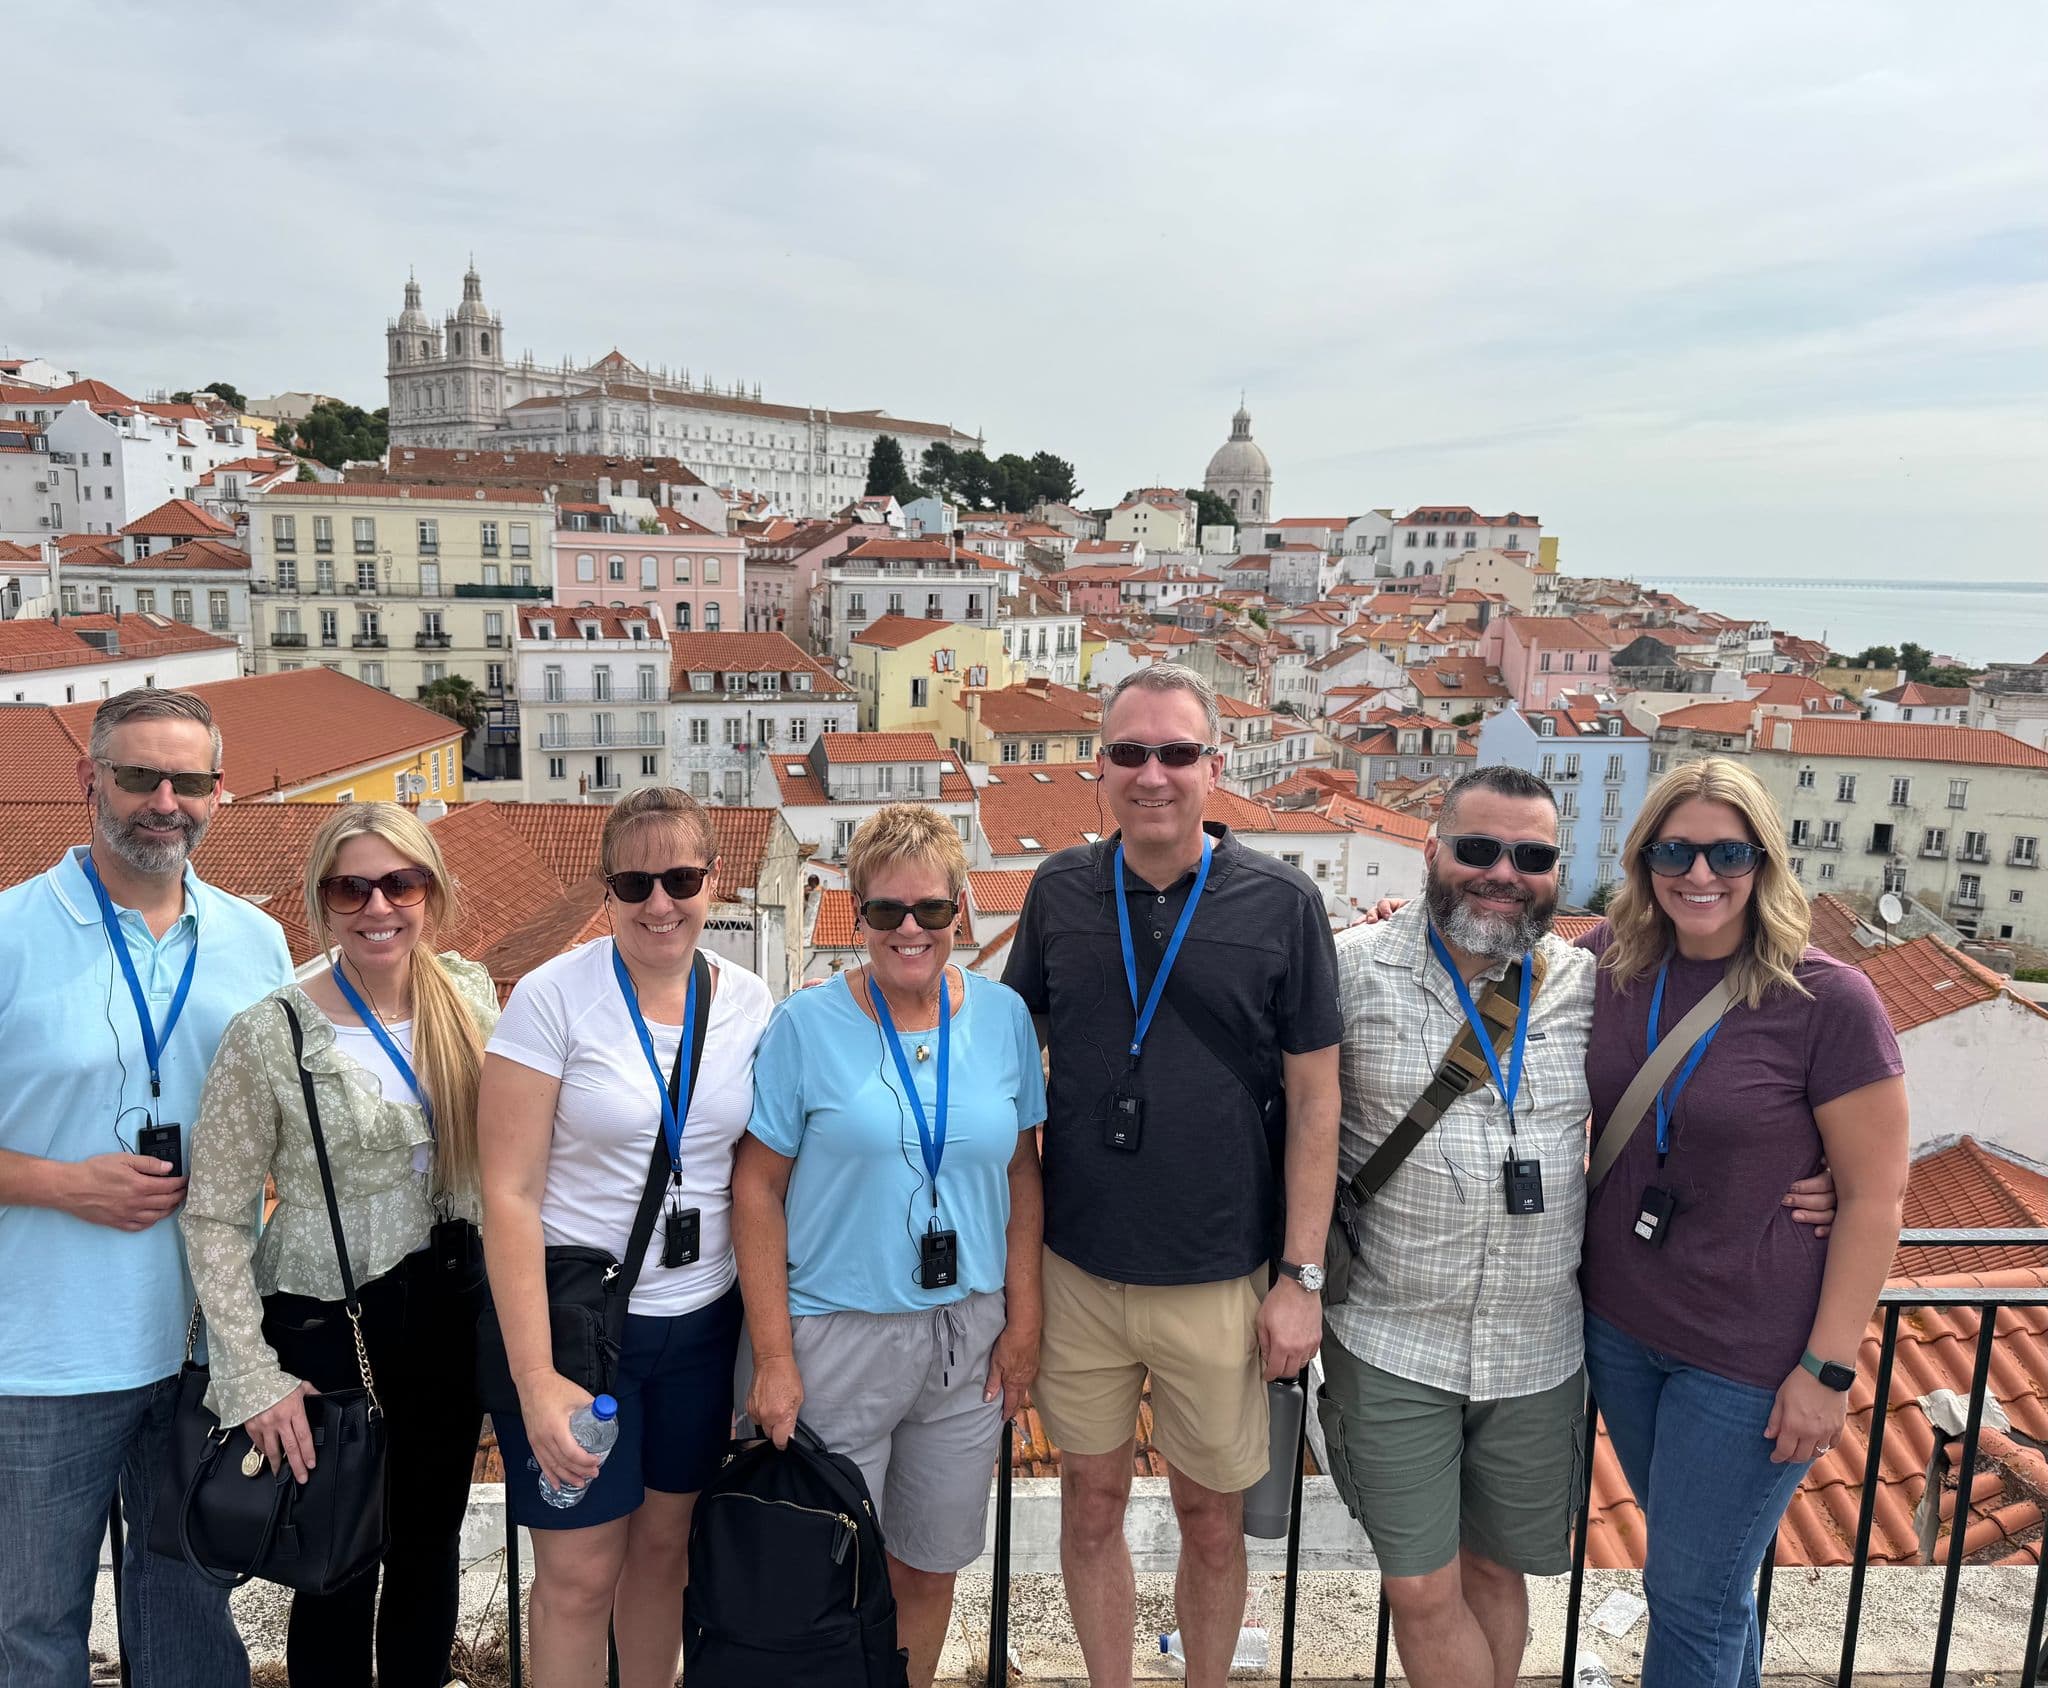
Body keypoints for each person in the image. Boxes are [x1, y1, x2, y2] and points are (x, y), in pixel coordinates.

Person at [1334, 766, 1841, 1688]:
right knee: (1419, 1587)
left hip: (1539, 1348)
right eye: (1478, 849)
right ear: (1432, 851)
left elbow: (1732, 1084)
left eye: (1531, 857)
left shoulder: (1590, 978)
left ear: (1560, 872)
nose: (1502, 873)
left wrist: (1832, 1177)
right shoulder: (1349, 969)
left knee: (1500, 1568)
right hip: (1392, 1333)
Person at [1001, 664, 1342, 1688]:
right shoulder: (1058, 888)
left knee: (1210, 1516)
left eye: (1175, 752)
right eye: (1129, 752)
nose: (1152, 773)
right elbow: (1007, 1065)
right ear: (1096, 767)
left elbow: (1317, 1102)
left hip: (1218, 1273)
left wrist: (1301, 1276)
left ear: (1212, 766)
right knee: (1090, 1502)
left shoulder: (1281, 901)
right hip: (1080, 1266)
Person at [1578, 758, 1906, 1688]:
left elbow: (1877, 1200)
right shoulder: (1614, 960)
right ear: (1644, 860)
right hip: (1621, 1328)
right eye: (1675, 850)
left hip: (1750, 1357)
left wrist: (1827, 1371)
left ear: (1764, 861)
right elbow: (1500, 976)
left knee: (1689, 1592)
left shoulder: (1828, 1001)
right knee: (1708, 1588)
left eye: (1728, 851)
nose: (1700, 874)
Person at [0, 688, 291, 1688]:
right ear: (89, 780)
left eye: (190, 780)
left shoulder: (257, 940)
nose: (164, 800)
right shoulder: (11, 933)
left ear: (222, 791)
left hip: (201, 1349)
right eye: (138, 775)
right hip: (39, 1360)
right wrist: (60, 1181)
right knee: (32, 1630)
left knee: (189, 1628)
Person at [179, 801, 496, 1687]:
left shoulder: (467, 995)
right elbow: (214, 1214)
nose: (377, 906)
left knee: (428, 1550)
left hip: (443, 1310)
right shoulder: (271, 1032)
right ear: (321, 902)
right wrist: (250, 1375)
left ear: (432, 890)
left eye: (400, 882)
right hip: (326, 1327)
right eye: (350, 886)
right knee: (336, 1565)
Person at [737, 803, 1046, 1688]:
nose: (910, 930)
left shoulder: (1004, 1019)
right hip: (838, 1333)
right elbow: (755, 1187)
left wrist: (1023, 1325)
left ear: (960, 909)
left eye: (931, 911)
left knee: (927, 1566)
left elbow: (1024, 1176)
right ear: (856, 913)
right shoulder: (805, 1026)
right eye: (885, 912)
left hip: (968, 1339)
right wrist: (773, 1356)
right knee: (822, 1567)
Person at [480, 787, 773, 1688]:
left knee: (664, 1554)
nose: (659, 902)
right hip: (577, 1334)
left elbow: (762, 1181)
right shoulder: (550, 1000)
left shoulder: (753, 1003)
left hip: (699, 1325)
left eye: (680, 877)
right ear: (606, 892)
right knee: (575, 1578)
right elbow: (508, 1193)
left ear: (714, 884)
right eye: (635, 881)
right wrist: (535, 1381)